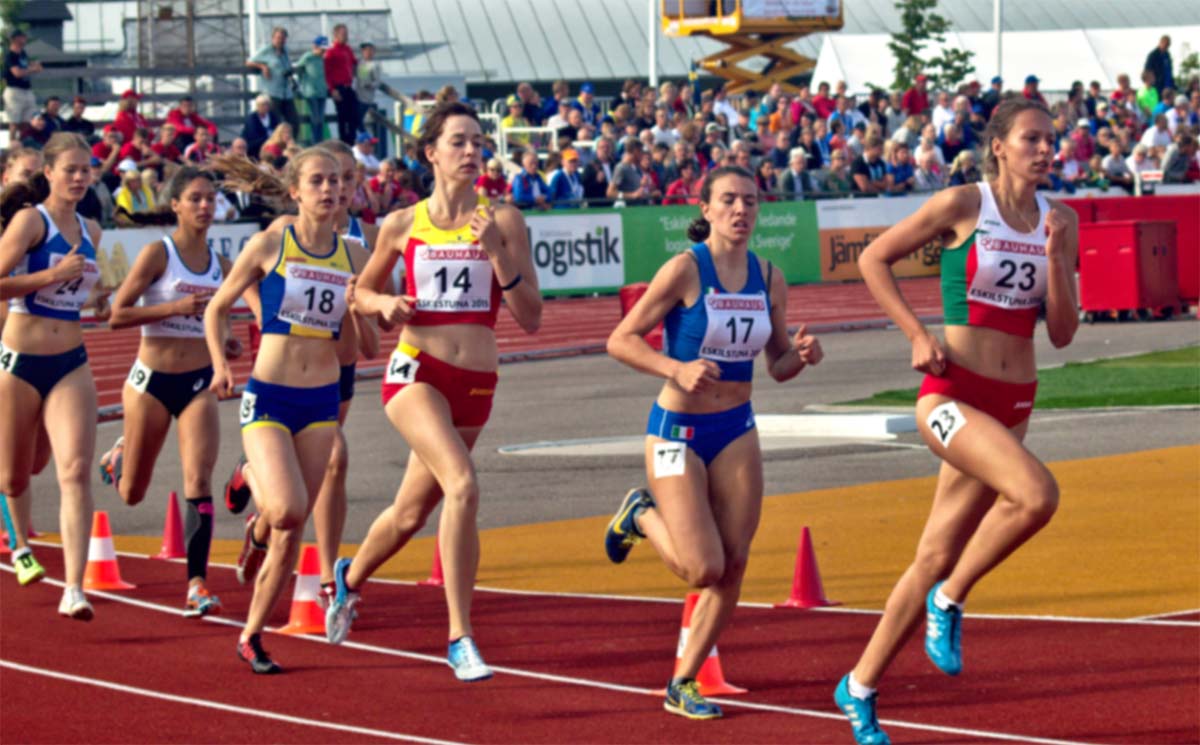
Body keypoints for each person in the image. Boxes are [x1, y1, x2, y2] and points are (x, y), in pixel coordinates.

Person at [835, 98, 1078, 745]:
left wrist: (1057, 257)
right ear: (999, 145)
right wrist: (916, 334)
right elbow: (873, 258)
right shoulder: (965, 204)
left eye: (1051, 140)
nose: (1045, 150)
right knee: (1036, 495)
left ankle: (858, 686)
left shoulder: (1062, 220)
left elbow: (1061, 332)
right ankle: (950, 598)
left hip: (1013, 401)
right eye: (1031, 139)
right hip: (950, 394)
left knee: (933, 554)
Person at [324, 102, 542, 683]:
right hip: (416, 373)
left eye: (479, 142)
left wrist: (496, 251)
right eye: (459, 142)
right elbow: (359, 294)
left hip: (476, 385)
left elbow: (531, 317)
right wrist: (384, 303)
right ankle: (459, 637)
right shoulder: (402, 224)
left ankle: (347, 578)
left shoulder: (504, 220)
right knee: (462, 485)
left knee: (408, 513)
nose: (472, 152)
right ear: (432, 153)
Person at [604, 165, 822, 720]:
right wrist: (675, 368)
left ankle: (683, 682)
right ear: (706, 209)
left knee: (735, 563)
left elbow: (778, 365)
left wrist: (803, 355)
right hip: (677, 430)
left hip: (736, 429)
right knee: (703, 567)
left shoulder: (769, 276)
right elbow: (621, 340)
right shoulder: (685, 269)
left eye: (750, 200)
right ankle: (641, 515)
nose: (741, 210)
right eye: (728, 200)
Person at [202, 146, 354, 674]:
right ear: (295, 191)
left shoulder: (352, 256)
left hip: (321, 402)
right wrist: (219, 363)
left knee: (290, 525)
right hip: (269, 395)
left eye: (336, 181)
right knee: (288, 508)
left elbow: (366, 342)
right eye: (317, 181)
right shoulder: (270, 244)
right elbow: (217, 307)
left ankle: (251, 635)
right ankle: (249, 475)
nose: (329, 189)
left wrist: (364, 306)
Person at [219, 138, 380, 604]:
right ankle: (328, 574)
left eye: (346, 178)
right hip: (288, 365)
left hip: (338, 369)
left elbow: (374, 327)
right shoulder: (286, 230)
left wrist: (371, 305)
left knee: (320, 475)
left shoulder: (365, 242)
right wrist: (261, 314)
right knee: (333, 459)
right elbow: (250, 279)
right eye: (329, 178)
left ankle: (267, 532)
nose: (338, 188)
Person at [98, 169, 240, 616]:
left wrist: (228, 342)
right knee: (132, 493)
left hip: (198, 383)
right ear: (175, 204)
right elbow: (116, 315)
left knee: (198, 480)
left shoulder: (223, 265)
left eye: (210, 198)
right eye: (195, 198)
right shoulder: (158, 254)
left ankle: (197, 583)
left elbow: (220, 321)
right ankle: (120, 456)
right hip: (151, 384)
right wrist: (174, 308)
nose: (205, 206)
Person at [0, 132, 109, 617]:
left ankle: (74, 588)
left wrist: (97, 297)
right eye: (71, 170)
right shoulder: (30, 221)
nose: (80, 178)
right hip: (20, 364)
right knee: (15, 476)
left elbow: (76, 293)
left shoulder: (92, 230)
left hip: (71, 363)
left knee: (75, 471)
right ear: (48, 173)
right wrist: (50, 275)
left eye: (87, 170)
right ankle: (21, 546)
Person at [247, 26, 299, 135]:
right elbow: (249, 62)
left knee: (294, 121)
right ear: (273, 38)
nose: (280, 41)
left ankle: (292, 142)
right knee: (276, 122)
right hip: (272, 92)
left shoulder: (285, 51)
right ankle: (277, 142)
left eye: (283, 38)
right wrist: (263, 66)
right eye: (278, 38)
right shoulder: (267, 50)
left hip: (286, 91)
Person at [3, 30, 42, 142]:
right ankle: (12, 145)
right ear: (14, 39)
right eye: (21, 37)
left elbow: (25, 66)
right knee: (14, 122)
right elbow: (17, 73)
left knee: (26, 121)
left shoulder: (23, 53)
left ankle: (23, 144)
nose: (24, 39)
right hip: (14, 90)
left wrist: (34, 66)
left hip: (26, 90)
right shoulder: (10, 55)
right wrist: (32, 69)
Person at [325, 24, 360, 145]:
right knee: (343, 117)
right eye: (343, 34)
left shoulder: (347, 49)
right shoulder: (331, 51)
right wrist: (332, 89)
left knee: (354, 115)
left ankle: (352, 140)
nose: (346, 36)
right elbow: (327, 72)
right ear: (335, 35)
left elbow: (355, 63)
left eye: (346, 34)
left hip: (348, 86)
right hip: (338, 87)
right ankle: (344, 142)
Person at [294, 37, 330, 145]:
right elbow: (298, 70)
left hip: (322, 92)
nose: (323, 51)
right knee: (315, 118)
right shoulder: (307, 57)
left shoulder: (323, 59)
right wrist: (301, 84)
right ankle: (315, 141)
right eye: (322, 49)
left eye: (324, 49)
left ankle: (320, 141)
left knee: (321, 118)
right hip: (310, 92)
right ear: (315, 46)